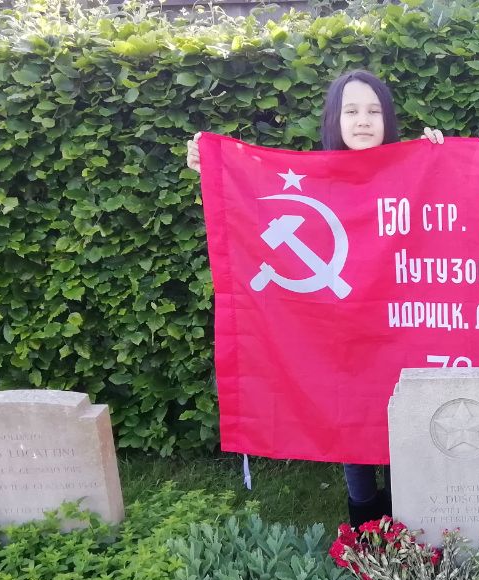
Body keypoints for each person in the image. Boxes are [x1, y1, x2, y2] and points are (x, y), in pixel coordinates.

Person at [187, 69, 443, 528]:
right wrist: (212, 165)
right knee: (351, 419)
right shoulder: (314, 179)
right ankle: (365, 525)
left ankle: (407, 523)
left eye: (373, 110)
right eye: (351, 110)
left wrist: (439, 155)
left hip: (397, 326)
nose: (363, 120)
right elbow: (250, 193)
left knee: (399, 419)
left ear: (388, 119)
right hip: (339, 333)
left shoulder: (411, 169)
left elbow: (454, 205)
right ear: (334, 119)